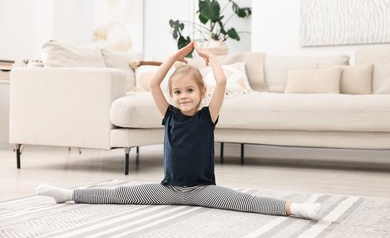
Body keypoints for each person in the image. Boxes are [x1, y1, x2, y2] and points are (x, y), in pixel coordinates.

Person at [36, 42, 321, 220]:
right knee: (121, 192)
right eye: (178, 92)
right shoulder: (169, 115)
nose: (183, 96)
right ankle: (69, 193)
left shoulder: (208, 117)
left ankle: (295, 208)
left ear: (200, 92)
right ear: (172, 95)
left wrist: (212, 59)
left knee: (245, 202)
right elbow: (152, 84)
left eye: (189, 91)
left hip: (203, 190)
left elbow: (221, 83)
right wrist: (173, 57)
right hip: (168, 189)